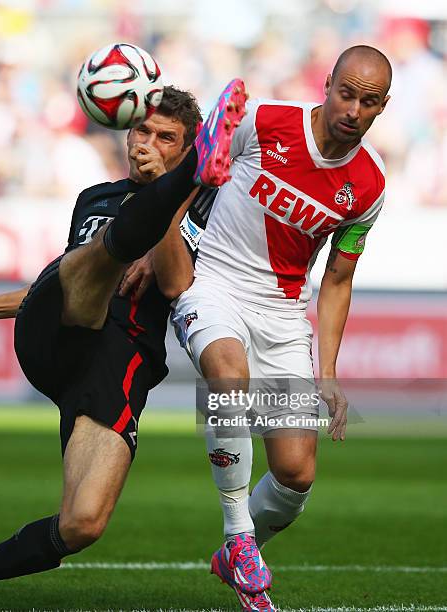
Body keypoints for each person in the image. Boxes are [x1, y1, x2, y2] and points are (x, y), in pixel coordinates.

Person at [0, 81, 247, 610]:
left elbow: (173, 285)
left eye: (166, 138)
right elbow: (66, 283)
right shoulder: (93, 199)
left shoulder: (206, 212)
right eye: (142, 130)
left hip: (115, 363)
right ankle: (131, 228)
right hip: (58, 332)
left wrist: (162, 199)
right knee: (97, 260)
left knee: (82, 523)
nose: (147, 143)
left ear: (186, 150)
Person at [172, 45, 391, 611]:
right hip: (214, 283)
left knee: (295, 477)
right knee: (227, 375)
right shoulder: (264, 121)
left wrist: (330, 372)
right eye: (347, 92)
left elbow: (339, 279)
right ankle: (239, 537)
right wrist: (157, 250)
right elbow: (190, 181)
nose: (353, 109)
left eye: (368, 102)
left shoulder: (368, 186)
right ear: (327, 84)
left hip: (283, 314)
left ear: (381, 108)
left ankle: (239, 553)